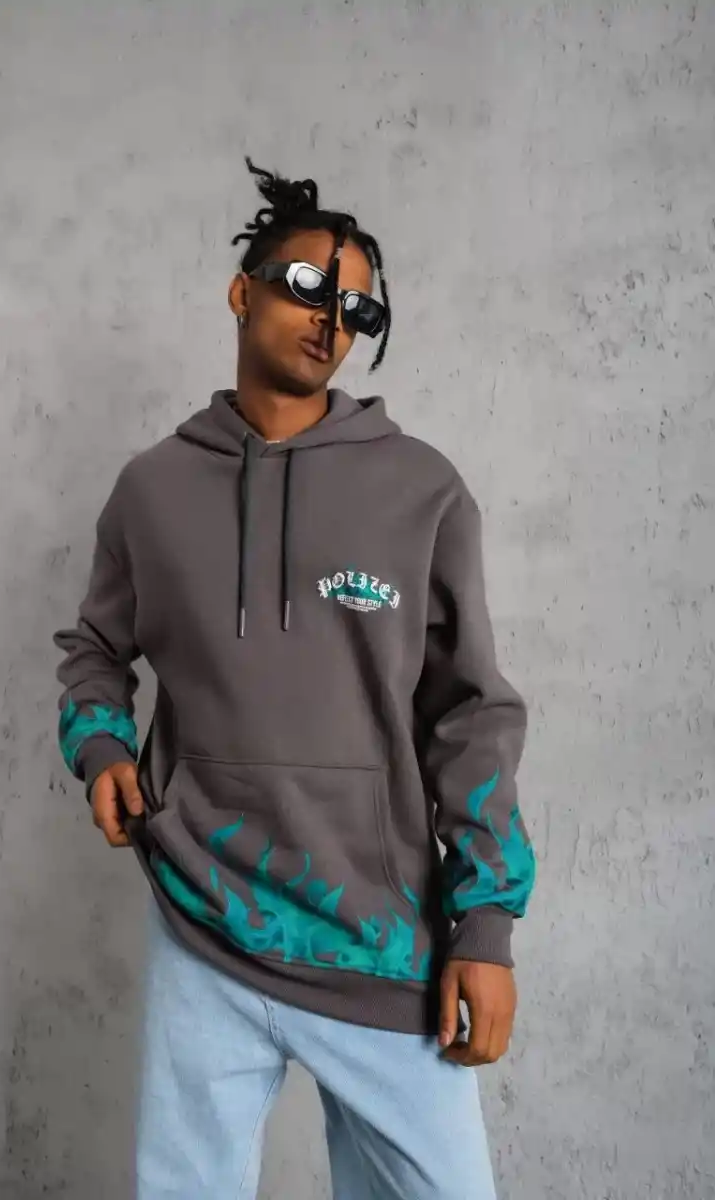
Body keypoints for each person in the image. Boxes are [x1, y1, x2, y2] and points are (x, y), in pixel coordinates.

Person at [54, 157, 536, 1200]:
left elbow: (471, 715)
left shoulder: (420, 490)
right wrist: (98, 744)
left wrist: (486, 930)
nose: (331, 319)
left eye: (357, 307)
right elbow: (94, 646)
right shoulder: (151, 489)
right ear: (243, 291)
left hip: (379, 943)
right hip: (198, 920)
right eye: (309, 287)